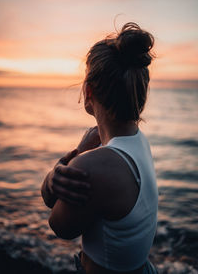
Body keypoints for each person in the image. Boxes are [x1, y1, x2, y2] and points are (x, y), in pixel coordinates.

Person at [41, 22, 158, 274]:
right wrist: (79, 154)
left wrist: (59, 170)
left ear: (89, 90)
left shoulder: (94, 166)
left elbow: (59, 226)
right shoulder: (140, 141)